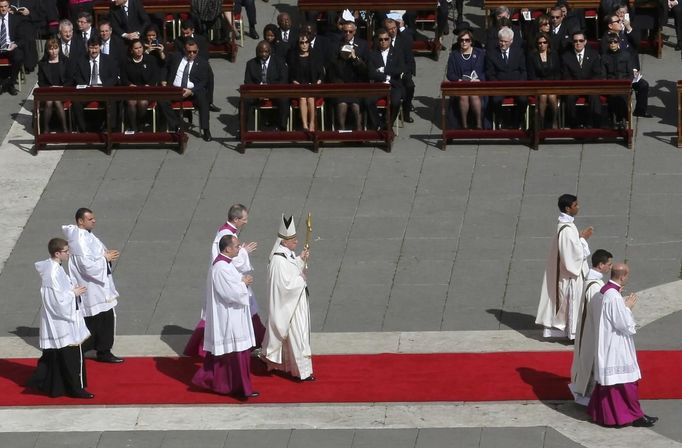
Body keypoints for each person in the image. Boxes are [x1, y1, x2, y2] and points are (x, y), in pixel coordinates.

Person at [185, 204, 265, 357]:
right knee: (225, 312)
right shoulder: (225, 234)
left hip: (231, 277)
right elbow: (226, 257)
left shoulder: (226, 232)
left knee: (249, 308)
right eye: (244, 219)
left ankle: (257, 341)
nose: (246, 222)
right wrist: (244, 252)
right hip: (229, 279)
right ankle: (202, 349)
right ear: (235, 219)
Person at [587, 263, 659, 427]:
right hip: (617, 346)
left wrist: (622, 305)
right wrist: (627, 308)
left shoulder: (603, 292)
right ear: (622, 276)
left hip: (607, 343)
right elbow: (624, 325)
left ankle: (605, 415)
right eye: (628, 275)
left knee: (610, 385)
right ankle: (636, 416)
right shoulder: (613, 296)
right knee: (628, 383)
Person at [191, 235, 259, 399]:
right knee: (237, 355)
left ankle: (230, 386)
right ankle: (241, 389)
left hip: (234, 315)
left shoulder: (226, 265)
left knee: (234, 355)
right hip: (230, 318)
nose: (239, 249)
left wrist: (241, 280)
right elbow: (230, 293)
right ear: (227, 249)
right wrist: (245, 284)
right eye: (236, 246)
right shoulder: (221, 267)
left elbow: (232, 283)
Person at [26, 238, 93, 399]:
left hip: (61, 320)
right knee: (72, 356)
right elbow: (57, 301)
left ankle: (53, 385)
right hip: (63, 321)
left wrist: (71, 289)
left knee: (57, 356)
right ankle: (76, 389)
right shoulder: (53, 273)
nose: (68, 253)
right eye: (66, 251)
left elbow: (60, 292)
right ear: (57, 253)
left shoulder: (55, 267)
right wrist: (73, 293)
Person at [62, 208, 123, 364]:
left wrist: (105, 256)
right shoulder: (79, 240)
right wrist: (105, 259)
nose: (94, 221)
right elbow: (86, 265)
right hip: (91, 286)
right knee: (93, 319)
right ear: (80, 221)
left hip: (99, 285)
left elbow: (94, 255)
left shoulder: (86, 235)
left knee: (107, 316)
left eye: (94, 218)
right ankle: (81, 350)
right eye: (90, 219)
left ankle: (104, 350)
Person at [261, 214, 314, 382]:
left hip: (295, 303)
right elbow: (283, 286)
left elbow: (290, 272)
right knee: (297, 337)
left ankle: (292, 368)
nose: (296, 242)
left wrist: (300, 259)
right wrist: (301, 280)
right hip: (289, 307)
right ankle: (302, 372)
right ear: (283, 241)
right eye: (292, 239)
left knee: (298, 337)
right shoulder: (277, 259)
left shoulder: (287, 254)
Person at [536, 194, 593, 340]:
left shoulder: (566, 226)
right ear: (568, 209)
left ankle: (572, 332)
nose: (578, 207)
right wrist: (583, 239)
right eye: (575, 205)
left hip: (568, 275)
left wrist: (578, 237)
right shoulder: (566, 230)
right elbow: (572, 257)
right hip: (570, 278)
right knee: (572, 305)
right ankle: (573, 334)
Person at [569, 249, 612, 406]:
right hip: (592, 331)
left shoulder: (592, 281)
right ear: (600, 265)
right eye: (609, 264)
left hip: (588, 327)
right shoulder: (595, 286)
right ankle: (588, 397)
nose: (610, 267)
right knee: (591, 362)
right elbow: (599, 310)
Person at [162, 39, 212, 141]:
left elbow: (204, 81)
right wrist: (163, 80)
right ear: (185, 50)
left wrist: (192, 90)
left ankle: (205, 129)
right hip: (175, 89)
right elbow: (164, 67)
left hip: (192, 90)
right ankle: (176, 125)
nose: (192, 54)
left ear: (198, 50)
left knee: (203, 98)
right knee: (162, 100)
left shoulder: (202, 63)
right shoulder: (176, 57)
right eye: (189, 51)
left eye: (194, 51)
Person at [71, 36, 120, 133]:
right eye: (91, 48)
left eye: (96, 48)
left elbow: (114, 77)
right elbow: (77, 77)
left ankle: (110, 129)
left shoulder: (109, 60)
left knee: (112, 101)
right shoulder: (81, 60)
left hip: (103, 90)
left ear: (100, 47)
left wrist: (103, 87)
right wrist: (86, 86)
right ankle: (83, 130)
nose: (94, 51)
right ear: (87, 47)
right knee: (76, 102)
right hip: (87, 91)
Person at [601, 33, 650, 128]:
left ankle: (624, 118)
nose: (613, 44)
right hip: (611, 83)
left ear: (618, 43)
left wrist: (627, 83)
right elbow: (603, 75)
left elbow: (630, 74)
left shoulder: (626, 55)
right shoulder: (604, 57)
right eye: (610, 42)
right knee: (613, 96)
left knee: (624, 94)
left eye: (615, 42)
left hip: (624, 83)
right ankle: (615, 119)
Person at [485, 27, 527, 129]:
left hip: (517, 86)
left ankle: (517, 122)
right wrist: (499, 85)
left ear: (511, 41)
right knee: (495, 101)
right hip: (500, 86)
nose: (503, 44)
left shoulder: (519, 52)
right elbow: (490, 74)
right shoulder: (491, 54)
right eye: (501, 41)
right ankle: (501, 121)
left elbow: (524, 71)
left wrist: (520, 84)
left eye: (505, 41)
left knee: (523, 100)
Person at [243, 41, 290, 131]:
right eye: (261, 52)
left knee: (284, 99)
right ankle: (243, 129)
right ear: (257, 52)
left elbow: (283, 80)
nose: (264, 54)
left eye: (266, 51)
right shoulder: (251, 64)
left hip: (275, 91)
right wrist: (258, 93)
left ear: (270, 51)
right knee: (244, 101)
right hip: (258, 93)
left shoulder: (279, 62)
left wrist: (270, 92)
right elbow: (248, 82)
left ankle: (282, 127)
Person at [561, 30, 603, 129]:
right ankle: (574, 125)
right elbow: (566, 76)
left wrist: (588, 85)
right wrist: (575, 86)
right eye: (575, 41)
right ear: (572, 42)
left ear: (585, 41)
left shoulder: (594, 54)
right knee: (569, 97)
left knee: (594, 96)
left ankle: (595, 125)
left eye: (581, 40)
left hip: (590, 86)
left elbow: (597, 73)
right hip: (574, 87)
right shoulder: (566, 57)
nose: (578, 43)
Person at [367, 28, 407, 130]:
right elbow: (371, 73)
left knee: (395, 102)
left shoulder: (397, 52)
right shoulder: (372, 54)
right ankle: (378, 124)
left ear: (390, 39)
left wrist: (383, 70)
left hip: (394, 85)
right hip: (379, 85)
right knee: (368, 101)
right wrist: (386, 76)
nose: (383, 41)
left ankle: (388, 124)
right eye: (381, 39)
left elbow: (400, 69)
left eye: (386, 39)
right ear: (377, 40)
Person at [447, 28, 486, 129]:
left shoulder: (480, 53)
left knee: (473, 95)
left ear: (471, 41)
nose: (464, 42)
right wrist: (459, 80)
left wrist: (479, 79)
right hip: (461, 85)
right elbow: (450, 74)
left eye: (467, 40)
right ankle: (464, 125)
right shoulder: (454, 55)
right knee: (463, 96)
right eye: (462, 40)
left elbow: (486, 70)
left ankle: (479, 124)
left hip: (476, 84)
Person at [325, 44, 367, 131]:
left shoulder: (355, 61)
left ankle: (359, 128)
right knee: (342, 104)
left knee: (356, 105)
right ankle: (342, 128)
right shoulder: (334, 62)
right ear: (340, 52)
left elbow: (364, 72)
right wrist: (342, 86)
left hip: (354, 91)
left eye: (348, 53)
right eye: (344, 52)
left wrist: (355, 58)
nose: (346, 54)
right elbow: (332, 77)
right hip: (340, 91)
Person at [121, 39, 160, 132]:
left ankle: (141, 125)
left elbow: (155, 76)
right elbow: (123, 77)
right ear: (131, 50)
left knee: (142, 102)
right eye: (136, 48)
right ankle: (132, 126)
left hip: (147, 90)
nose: (139, 50)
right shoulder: (126, 61)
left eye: (140, 47)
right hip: (132, 91)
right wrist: (129, 84)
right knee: (131, 102)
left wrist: (149, 85)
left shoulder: (150, 59)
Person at [288, 32, 324, 131]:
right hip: (299, 86)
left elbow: (321, 73)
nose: (304, 45)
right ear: (298, 44)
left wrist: (318, 82)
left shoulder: (315, 55)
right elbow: (291, 75)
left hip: (313, 86)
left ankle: (312, 123)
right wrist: (295, 82)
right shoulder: (294, 57)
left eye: (306, 42)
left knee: (311, 98)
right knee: (303, 98)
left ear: (309, 43)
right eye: (301, 43)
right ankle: (305, 125)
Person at [527, 31, 561, 128]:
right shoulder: (532, 56)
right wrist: (539, 84)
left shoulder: (554, 55)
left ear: (548, 43)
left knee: (552, 97)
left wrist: (554, 83)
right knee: (542, 96)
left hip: (552, 84)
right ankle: (541, 123)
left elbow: (558, 72)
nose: (542, 45)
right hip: (539, 84)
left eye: (544, 42)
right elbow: (531, 75)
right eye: (540, 43)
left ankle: (554, 121)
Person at [38, 37, 72, 133]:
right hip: (48, 92)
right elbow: (41, 82)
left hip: (62, 90)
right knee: (49, 101)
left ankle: (65, 128)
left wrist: (62, 87)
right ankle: (46, 128)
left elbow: (70, 79)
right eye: (51, 49)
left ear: (59, 48)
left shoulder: (65, 61)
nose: (54, 51)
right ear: (47, 50)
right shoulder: (42, 64)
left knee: (57, 100)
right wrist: (50, 88)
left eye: (55, 48)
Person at [0, 0, 26, 95]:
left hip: (10, 46)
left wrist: (14, 44)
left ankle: (10, 83)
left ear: (9, 7)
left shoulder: (15, 19)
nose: (3, 8)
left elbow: (22, 38)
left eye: (5, 6)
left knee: (18, 56)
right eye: (1, 6)